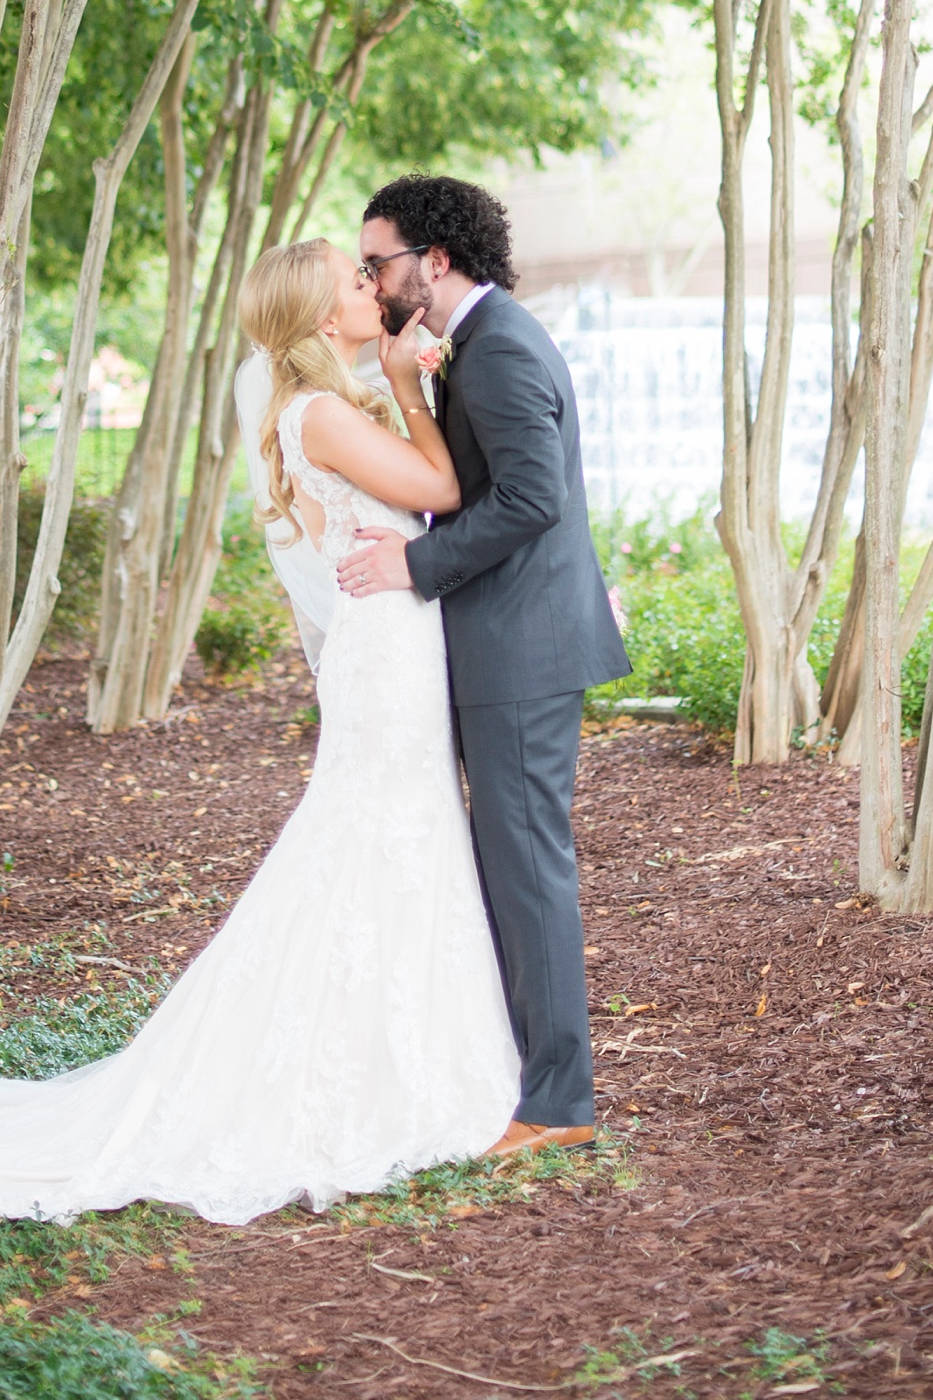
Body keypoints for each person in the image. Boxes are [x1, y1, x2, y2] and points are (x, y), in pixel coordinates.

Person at [0, 239, 518, 1227]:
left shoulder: (319, 403)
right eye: (353, 283)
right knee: (378, 830)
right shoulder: (320, 410)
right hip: (384, 650)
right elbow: (440, 492)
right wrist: (413, 390)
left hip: (393, 640)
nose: (373, 291)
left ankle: (401, 1047)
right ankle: (373, 1067)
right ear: (323, 320)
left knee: (394, 830)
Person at [340, 174, 629, 1159]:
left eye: (378, 261)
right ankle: (524, 1075)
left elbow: (531, 500)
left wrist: (413, 563)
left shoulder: (500, 350)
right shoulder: (479, 341)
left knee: (526, 870)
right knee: (510, 865)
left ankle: (556, 1103)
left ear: (436, 258)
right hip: (507, 641)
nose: (371, 279)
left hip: (517, 650)